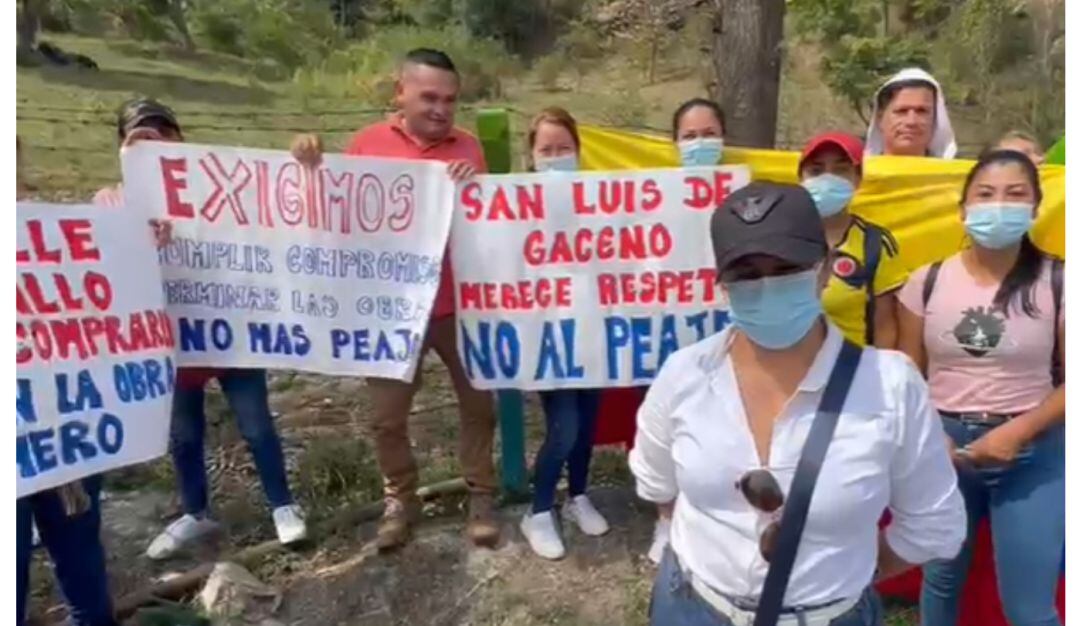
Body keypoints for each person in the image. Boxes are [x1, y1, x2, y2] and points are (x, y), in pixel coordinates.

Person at [630, 181, 966, 625]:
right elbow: (659, 488)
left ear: (825, 269)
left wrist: (843, 580)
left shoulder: (891, 387)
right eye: (746, 273)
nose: (767, 286)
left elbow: (933, 525)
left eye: (786, 267)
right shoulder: (684, 375)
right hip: (691, 608)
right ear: (723, 287)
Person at [291, 48, 500, 550]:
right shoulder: (366, 145)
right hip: (389, 312)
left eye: (450, 100)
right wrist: (308, 168)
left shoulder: (469, 148)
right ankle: (399, 501)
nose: (440, 109)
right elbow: (331, 218)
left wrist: (481, 188)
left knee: (479, 406)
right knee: (386, 418)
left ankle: (482, 495)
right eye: (429, 96)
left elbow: (493, 220)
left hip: (458, 306)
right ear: (399, 92)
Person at [96, 98, 308, 559]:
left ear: (180, 140)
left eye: (162, 135)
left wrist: (301, 170)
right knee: (184, 433)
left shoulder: (221, 189)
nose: (153, 146)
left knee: (256, 425)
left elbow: (273, 216)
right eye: (139, 138)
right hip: (170, 341)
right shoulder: (109, 203)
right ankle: (195, 512)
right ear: (122, 148)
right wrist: (129, 231)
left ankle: (283, 506)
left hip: (231, 333)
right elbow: (106, 276)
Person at [897, 150, 1065, 626]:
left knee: (1029, 608)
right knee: (942, 584)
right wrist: (932, 435)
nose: (999, 206)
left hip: (1034, 452)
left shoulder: (1059, 280)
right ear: (962, 208)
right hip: (942, 451)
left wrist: (1020, 432)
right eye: (985, 194)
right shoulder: (924, 281)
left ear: (1035, 209)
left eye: (1015, 195)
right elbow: (909, 374)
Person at [18, 140, 118, 626]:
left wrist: (124, 231)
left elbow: (117, 286)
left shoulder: (56, 233)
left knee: (81, 559)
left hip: (65, 439)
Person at [516, 107, 610, 560]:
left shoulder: (601, 200)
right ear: (531, 157)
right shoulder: (510, 208)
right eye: (546, 150)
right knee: (564, 426)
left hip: (594, 327)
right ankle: (537, 510)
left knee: (588, 421)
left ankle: (577, 496)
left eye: (564, 149)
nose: (556, 158)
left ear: (579, 151)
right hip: (545, 337)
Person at [642, 96, 730, 565]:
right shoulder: (653, 196)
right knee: (667, 430)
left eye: (708, 133)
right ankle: (664, 520)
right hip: (662, 336)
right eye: (689, 136)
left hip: (723, 336)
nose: (699, 143)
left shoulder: (743, 194)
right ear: (674, 143)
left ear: (725, 138)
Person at [799, 132, 907, 348]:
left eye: (841, 170)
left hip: (852, 371)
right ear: (801, 179)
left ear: (857, 179)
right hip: (788, 369)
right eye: (816, 170)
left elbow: (885, 326)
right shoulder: (777, 236)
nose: (828, 179)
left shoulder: (875, 244)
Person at [866, 67, 957, 159]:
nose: (911, 122)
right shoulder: (859, 172)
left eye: (922, 111)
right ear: (880, 118)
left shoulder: (955, 173)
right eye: (901, 111)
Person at [673, 97, 726, 167]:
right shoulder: (660, 176)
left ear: (723, 136)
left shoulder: (743, 175)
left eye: (709, 134)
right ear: (676, 141)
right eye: (689, 136)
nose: (699, 143)